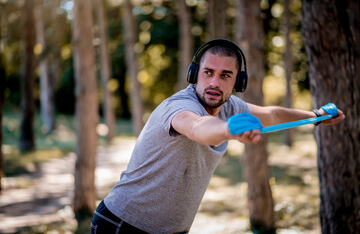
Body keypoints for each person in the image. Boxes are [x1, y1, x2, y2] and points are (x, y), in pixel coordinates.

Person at [90, 39, 345, 234]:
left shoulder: (232, 106)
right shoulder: (179, 107)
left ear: (238, 82)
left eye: (225, 75)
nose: (214, 82)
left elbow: (273, 115)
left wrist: (316, 115)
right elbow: (198, 128)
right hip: (122, 224)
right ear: (194, 74)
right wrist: (229, 129)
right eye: (208, 72)